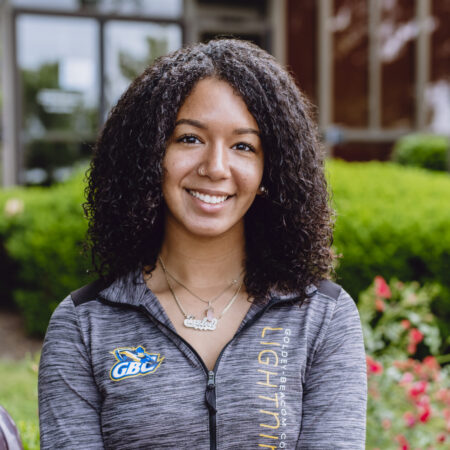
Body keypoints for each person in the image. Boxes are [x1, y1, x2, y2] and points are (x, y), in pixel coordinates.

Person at [38, 39, 367, 449]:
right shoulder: (84, 325)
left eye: (243, 146)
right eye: (189, 139)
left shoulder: (321, 316)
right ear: (150, 154)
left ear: (270, 170)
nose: (215, 167)